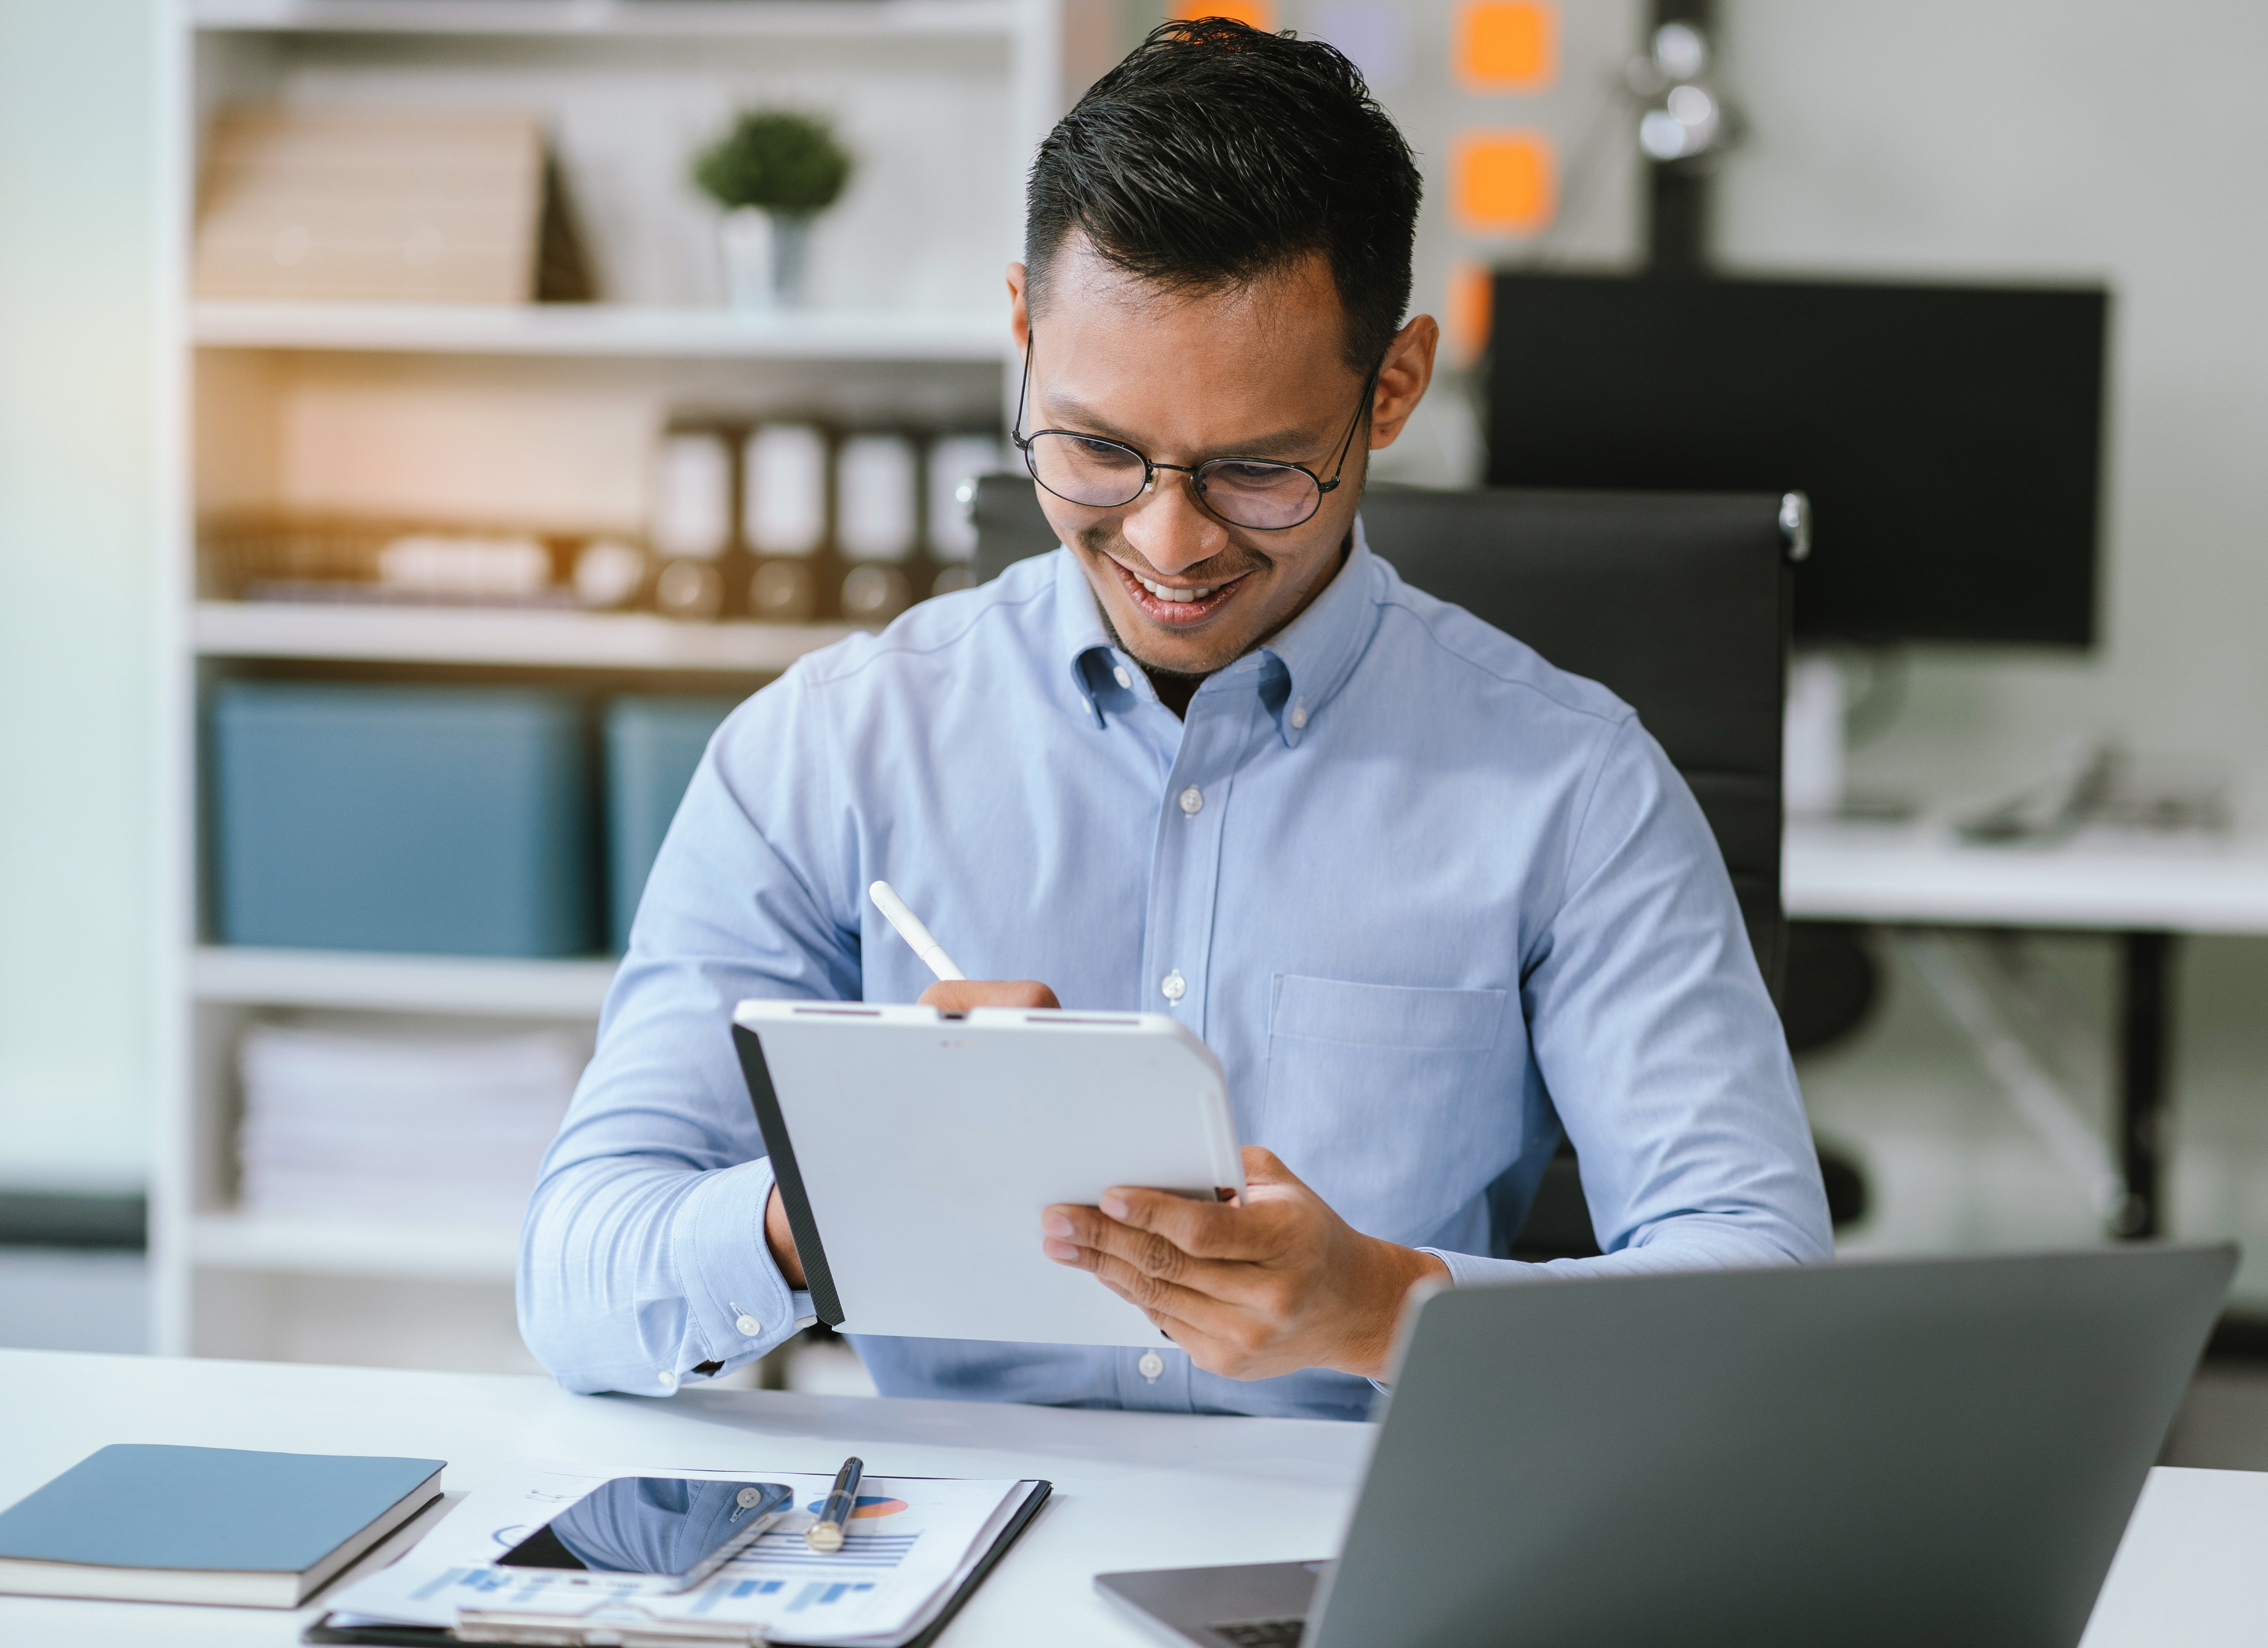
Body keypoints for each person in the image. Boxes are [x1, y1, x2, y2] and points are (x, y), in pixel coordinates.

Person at [519, 19, 1830, 1422]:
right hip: (960, 1521)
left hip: (1350, 1523)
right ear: (1024, 334)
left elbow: (1755, 1294)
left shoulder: (1573, 786)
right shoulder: (827, 749)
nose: (1167, 542)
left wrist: (1384, 1307)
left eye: (1257, 469)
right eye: (1095, 449)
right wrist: (835, 1195)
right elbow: (576, 1281)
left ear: (1391, 387)